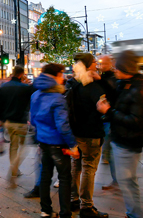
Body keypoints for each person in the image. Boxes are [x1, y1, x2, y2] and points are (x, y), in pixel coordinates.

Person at [97, 50, 143, 218]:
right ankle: (134, 212)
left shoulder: (139, 90)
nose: (114, 70)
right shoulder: (126, 84)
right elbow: (115, 94)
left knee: (126, 182)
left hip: (128, 143)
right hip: (121, 138)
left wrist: (109, 111)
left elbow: (136, 121)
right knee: (128, 181)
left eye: (117, 67)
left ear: (125, 69)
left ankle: (135, 214)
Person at [30, 63, 80, 218]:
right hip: (58, 143)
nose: (64, 77)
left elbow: (32, 120)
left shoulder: (35, 95)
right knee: (65, 177)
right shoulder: (58, 98)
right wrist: (73, 145)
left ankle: (45, 210)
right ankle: (65, 212)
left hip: (43, 141)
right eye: (62, 74)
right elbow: (63, 125)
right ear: (56, 76)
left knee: (45, 176)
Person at [66, 54, 108, 218]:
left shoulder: (73, 84)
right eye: (94, 62)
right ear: (89, 65)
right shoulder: (93, 86)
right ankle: (86, 206)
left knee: (76, 167)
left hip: (76, 132)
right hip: (91, 133)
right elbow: (105, 105)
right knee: (89, 168)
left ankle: (73, 199)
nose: (97, 63)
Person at [0, 66, 34, 187]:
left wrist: (1, 119)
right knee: (23, 148)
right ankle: (13, 170)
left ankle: (14, 169)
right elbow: (30, 103)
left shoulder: (4, 87)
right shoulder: (25, 88)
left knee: (13, 146)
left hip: (9, 122)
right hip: (21, 121)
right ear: (21, 74)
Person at [97, 55, 118, 190]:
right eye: (100, 64)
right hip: (104, 118)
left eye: (104, 64)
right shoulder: (104, 77)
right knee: (109, 149)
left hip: (110, 118)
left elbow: (112, 92)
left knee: (111, 151)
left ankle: (117, 181)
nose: (101, 66)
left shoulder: (112, 78)